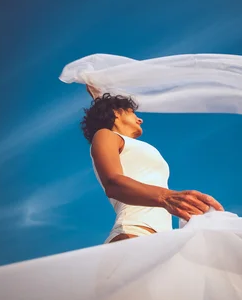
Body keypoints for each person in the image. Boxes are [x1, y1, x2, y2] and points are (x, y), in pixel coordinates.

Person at [82, 88, 224, 244]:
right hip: (134, 233)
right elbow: (113, 183)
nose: (140, 119)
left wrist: (100, 96)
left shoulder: (132, 145)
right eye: (131, 112)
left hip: (163, 241)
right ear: (116, 113)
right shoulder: (105, 134)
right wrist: (166, 197)